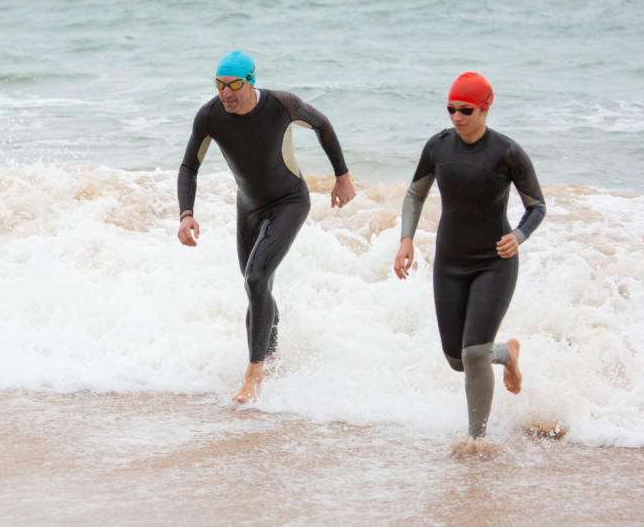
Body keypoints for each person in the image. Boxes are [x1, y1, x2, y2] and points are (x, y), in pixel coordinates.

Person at [178, 51, 356, 404]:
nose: (225, 94)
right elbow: (188, 166)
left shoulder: (281, 105)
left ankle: (254, 375)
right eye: (219, 85)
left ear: (251, 81)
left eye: (234, 85)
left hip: (289, 202)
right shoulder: (211, 115)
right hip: (248, 208)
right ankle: (272, 356)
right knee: (256, 284)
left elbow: (322, 123)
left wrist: (342, 175)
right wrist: (186, 213)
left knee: (256, 279)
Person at [393, 72, 545, 438]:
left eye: (465, 110)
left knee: (474, 354)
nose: (456, 117)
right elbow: (415, 195)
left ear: (485, 109)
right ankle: (505, 353)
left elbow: (536, 206)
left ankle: (476, 440)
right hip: (449, 262)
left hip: (494, 261)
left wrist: (519, 236)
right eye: (450, 110)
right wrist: (406, 239)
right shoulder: (438, 147)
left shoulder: (507, 152)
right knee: (458, 359)